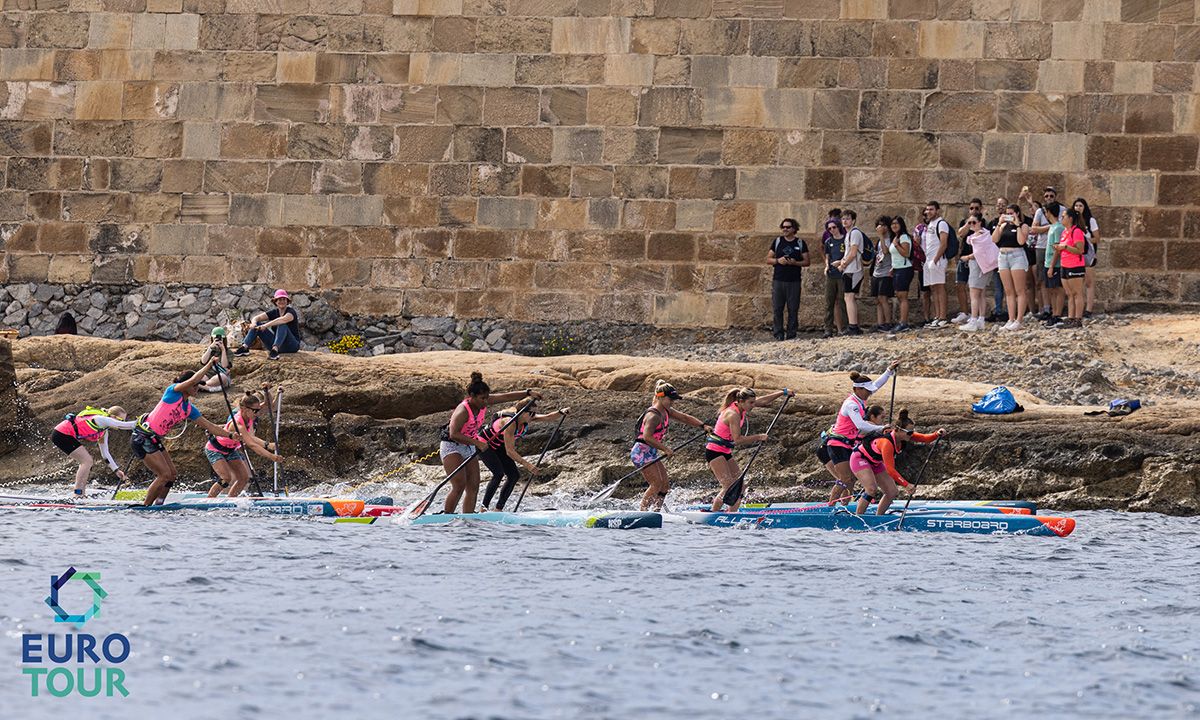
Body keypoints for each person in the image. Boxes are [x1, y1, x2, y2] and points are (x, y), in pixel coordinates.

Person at [132, 358, 236, 506]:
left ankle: (159, 504)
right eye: (194, 385)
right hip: (142, 436)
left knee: (172, 475)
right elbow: (193, 378)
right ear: (185, 385)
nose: (197, 388)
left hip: (154, 439)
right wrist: (209, 365)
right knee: (164, 475)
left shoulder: (189, 409)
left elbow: (210, 426)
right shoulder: (173, 392)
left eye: (198, 386)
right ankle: (145, 506)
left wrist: (231, 435)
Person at [440, 372, 541, 514]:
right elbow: (454, 434)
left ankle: (467, 519)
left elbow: (506, 396)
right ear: (472, 397)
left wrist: (528, 393)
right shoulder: (463, 410)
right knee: (459, 485)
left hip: (468, 446)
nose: (485, 402)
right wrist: (477, 442)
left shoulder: (483, 402)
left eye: (487, 398)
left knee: (473, 486)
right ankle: (446, 516)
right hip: (452, 445)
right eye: (482, 398)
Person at [619, 381, 711, 512]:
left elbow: (684, 417)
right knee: (656, 484)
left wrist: (703, 425)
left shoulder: (666, 411)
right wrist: (665, 449)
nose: (672, 402)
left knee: (665, 485)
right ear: (660, 397)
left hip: (651, 452)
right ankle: (642, 512)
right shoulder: (653, 416)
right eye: (670, 399)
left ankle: (656, 511)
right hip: (641, 452)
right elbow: (647, 437)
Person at [823, 362, 899, 506]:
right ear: (857, 389)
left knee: (850, 480)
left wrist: (888, 371)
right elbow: (861, 425)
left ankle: (844, 507)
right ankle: (831, 507)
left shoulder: (861, 397)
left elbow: (876, 385)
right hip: (837, 444)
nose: (870, 393)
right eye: (867, 390)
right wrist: (882, 428)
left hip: (848, 444)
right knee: (845, 479)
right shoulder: (851, 404)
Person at [706, 386, 792, 512]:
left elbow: (763, 401)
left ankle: (731, 514)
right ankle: (713, 514)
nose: (753, 405)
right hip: (714, 451)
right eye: (751, 403)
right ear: (741, 401)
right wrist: (758, 437)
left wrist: (783, 392)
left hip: (725, 451)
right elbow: (738, 440)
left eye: (753, 402)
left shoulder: (743, 406)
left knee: (740, 486)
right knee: (728, 486)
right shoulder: (733, 414)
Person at [477, 402, 570, 512]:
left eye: (534, 413)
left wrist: (561, 412)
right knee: (498, 474)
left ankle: (498, 509)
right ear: (522, 412)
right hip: (484, 444)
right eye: (531, 413)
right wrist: (528, 465)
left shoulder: (527, 418)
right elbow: (510, 451)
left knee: (514, 475)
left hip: (499, 445)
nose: (533, 415)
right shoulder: (509, 422)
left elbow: (548, 417)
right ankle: (483, 509)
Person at [851, 409, 945, 515]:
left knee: (892, 492)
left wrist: (937, 434)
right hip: (860, 459)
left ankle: (879, 518)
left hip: (875, 462)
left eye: (912, 432)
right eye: (909, 432)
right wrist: (906, 485)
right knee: (871, 489)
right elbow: (890, 470)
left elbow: (925, 438)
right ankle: (858, 518)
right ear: (897, 430)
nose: (911, 435)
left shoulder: (905, 435)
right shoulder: (887, 443)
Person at [205, 389, 284, 498]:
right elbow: (251, 444)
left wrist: (267, 391)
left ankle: (231, 501)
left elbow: (270, 406)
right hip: (215, 449)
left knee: (243, 478)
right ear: (244, 409)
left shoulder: (250, 416)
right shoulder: (238, 424)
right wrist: (271, 456)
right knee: (226, 478)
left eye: (258, 410)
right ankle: (209, 500)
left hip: (231, 450)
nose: (258, 413)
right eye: (255, 411)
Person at [51, 405, 137, 496]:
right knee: (87, 461)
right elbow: (122, 425)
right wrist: (142, 422)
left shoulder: (103, 431)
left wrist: (116, 470)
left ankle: (81, 494)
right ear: (112, 416)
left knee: (87, 461)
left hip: (66, 435)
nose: (122, 422)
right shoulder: (100, 419)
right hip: (61, 434)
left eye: (123, 420)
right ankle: (78, 494)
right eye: (120, 419)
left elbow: (105, 453)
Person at [767, 217, 810, 341]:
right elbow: (768, 259)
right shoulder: (777, 242)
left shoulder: (800, 243)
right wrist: (778, 261)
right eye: (783, 227)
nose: (785, 229)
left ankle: (791, 334)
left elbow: (807, 262)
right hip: (778, 280)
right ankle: (778, 333)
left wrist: (795, 263)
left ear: (794, 229)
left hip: (794, 280)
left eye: (788, 227)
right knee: (777, 308)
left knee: (793, 308)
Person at [991, 203, 1031, 330]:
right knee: (1008, 290)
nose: (1009, 216)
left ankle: (1019, 320)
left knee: (1020, 290)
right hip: (1003, 256)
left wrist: (1017, 224)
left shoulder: (1023, 226)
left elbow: (1021, 241)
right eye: (1007, 214)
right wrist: (999, 224)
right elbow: (994, 239)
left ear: (1017, 213)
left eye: (1011, 213)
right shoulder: (1003, 226)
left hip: (1017, 256)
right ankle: (1011, 318)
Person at [1023, 187, 1060, 320]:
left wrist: (1043, 228)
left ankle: (1055, 310)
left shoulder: (1062, 210)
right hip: (1041, 247)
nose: (1049, 198)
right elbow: (1034, 228)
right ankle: (1045, 308)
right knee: (1042, 279)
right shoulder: (1039, 211)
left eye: (1051, 196)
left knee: (1056, 280)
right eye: (1046, 196)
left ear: (1055, 197)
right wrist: (1050, 227)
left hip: (1055, 246)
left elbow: (1062, 228)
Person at [234, 289, 302, 361]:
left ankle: (274, 351)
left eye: (284, 299)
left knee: (282, 325)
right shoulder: (274, 312)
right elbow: (257, 318)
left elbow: (282, 320)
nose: (282, 301)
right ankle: (245, 347)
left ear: (287, 301)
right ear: (275, 302)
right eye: (279, 299)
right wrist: (253, 323)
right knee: (257, 324)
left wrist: (265, 325)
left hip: (292, 345)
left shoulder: (291, 312)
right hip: (280, 345)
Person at [1053, 207, 1088, 329]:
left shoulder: (1076, 231)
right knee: (1069, 293)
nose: (1061, 218)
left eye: (1064, 216)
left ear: (1070, 218)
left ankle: (1078, 319)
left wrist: (1065, 247)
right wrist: (1059, 247)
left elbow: (1080, 250)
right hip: (1065, 265)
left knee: (1077, 293)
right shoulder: (1064, 232)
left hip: (1075, 266)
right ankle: (1070, 318)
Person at [1032, 202, 1066, 326]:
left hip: (1055, 264)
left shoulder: (1058, 228)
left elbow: (1057, 248)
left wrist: (1051, 266)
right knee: (1051, 289)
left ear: (1049, 212)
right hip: (1048, 262)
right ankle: (1053, 313)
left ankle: (1057, 314)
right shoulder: (1052, 227)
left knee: (1058, 289)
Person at [953, 198, 985, 324]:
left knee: (977, 289)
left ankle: (976, 316)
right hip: (965, 256)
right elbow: (961, 234)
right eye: (971, 208)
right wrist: (969, 222)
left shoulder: (983, 223)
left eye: (977, 208)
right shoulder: (965, 222)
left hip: (977, 259)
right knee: (960, 284)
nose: (974, 210)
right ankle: (964, 312)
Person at [834, 210, 866, 336]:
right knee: (849, 297)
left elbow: (853, 253)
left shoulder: (855, 233)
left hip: (853, 270)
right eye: (843, 219)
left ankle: (853, 326)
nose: (845, 221)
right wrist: (841, 261)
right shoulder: (849, 234)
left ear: (853, 220)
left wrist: (843, 265)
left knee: (849, 297)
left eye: (847, 218)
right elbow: (849, 253)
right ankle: (854, 325)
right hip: (850, 269)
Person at [920, 201, 951, 326]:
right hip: (929, 260)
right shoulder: (930, 224)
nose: (928, 212)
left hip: (937, 260)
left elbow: (943, 244)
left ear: (937, 210)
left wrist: (935, 260)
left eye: (931, 209)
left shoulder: (941, 223)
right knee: (933, 288)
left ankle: (943, 317)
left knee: (939, 287)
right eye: (927, 209)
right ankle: (937, 316)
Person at [821, 212, 847, 338]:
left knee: (843, 301)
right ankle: (828, 329)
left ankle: (845, 328)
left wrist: (841, 263)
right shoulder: (828, 241)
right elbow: (827, 256)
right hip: (831, 274)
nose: (832, 230)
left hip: (842, 274)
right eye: (829, 228)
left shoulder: (845, 239)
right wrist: (827, 265)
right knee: (829, 302)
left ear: (838, 227)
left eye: (834, 227)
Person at [1073, 198, 1100, 317]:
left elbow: (1097, 238)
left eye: (1081, 205)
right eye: (1076, 205)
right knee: (1077, 283)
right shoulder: (1071, 221)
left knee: (1089, 282)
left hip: (1087, 254)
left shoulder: (1090, 220)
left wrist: (1084, 240)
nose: (1078, 208)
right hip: (1074, 254)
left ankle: (1088, 309)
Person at [888, 216, 914, 331]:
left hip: (904, 269)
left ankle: (903, 322)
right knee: (899, 295)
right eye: (892, 224)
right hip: (898, 269)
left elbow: (906, 253)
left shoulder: (903, 237)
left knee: (903, 296)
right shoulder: (896, 237)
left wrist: (897, 245)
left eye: (896, 223)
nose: (894, 225)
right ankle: (902, 321)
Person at [985, 197, 1008, 322]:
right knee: (998, 287)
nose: (1000, 207)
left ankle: (1011, 311)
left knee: (1010, 287)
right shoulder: (993, 223)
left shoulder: (1011, 222)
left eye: (1003, 204)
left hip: (1009, 256)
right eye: (998, 204)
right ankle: (998, 310)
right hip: (996, 258)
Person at [870, 216, 894, 332]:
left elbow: (886, 251)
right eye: (879, 225)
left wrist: (880, 236)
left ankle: (888, 322)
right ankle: (880, 323)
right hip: (877, 272)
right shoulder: (880, 241)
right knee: (877, 299)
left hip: (886, 272)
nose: (881, 227)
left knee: (883, 298)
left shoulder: (889, 239)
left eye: (884, 225)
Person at [199, 327, 233, 393]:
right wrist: (210, 348)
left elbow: (224, 365)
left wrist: (223, 350)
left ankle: (202, 386)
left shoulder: (229, 352)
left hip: (220, 377)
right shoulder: (209, 350)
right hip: (208, 375)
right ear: (212, 338)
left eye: (220, 339)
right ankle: (207, 387)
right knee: (199, 376)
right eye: (216, 339)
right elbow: (203, 362)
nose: (218, 340)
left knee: (222, 377)